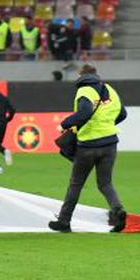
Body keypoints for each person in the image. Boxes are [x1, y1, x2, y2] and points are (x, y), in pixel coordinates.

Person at [49, 65, 127, 233]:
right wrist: (105, 125)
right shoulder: (110, 90)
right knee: (105, 183)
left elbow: (84, 113)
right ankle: (118, 210)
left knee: (76, 184)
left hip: (88, 145)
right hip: (110, 143)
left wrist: (65, 124)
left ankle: (64, 221)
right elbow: (122, 114)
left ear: (80, 75)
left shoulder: (85, 91)